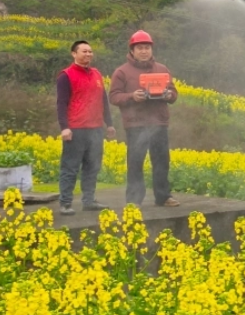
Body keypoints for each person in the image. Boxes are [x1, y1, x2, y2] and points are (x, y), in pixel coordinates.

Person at [108, 30, 180, 208]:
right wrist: (132, 96)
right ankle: (133, 200)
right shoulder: (121, 72)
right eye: (139, 48)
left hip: (159, 123)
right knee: (135, 162)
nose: (144, 51)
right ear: (132, 50)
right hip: (135, 124)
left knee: (162, 161)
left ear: (151, 49)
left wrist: (168, 94)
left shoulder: (162, 69)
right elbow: (114, 96)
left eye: (147, 47)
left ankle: (163, 197)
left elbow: (174, 94)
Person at [57, 40, 116, 215]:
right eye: (84, 51)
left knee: (93, 166)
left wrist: (110, 124)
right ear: (74, 54)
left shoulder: (97, 74)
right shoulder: (65, 75)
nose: (88, 54)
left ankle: (89, 200)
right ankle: (65, 203)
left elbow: (103, 100)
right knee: (70, 167)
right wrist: (64, 127)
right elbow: (61, 103)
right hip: (76, 129)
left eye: (90, 51)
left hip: (96, 128)